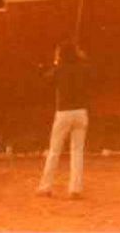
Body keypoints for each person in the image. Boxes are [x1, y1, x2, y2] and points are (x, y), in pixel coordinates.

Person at [37, 42, 91, 200]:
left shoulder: (59, 70)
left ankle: (45, 187)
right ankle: (76, 188)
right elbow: (89, 72)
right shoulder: (83, 68)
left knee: (54, 151)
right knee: (77, 151)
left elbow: (46, 80)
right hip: (81, 112)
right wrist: (83, 58)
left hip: (64, 113)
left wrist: (55, 64)